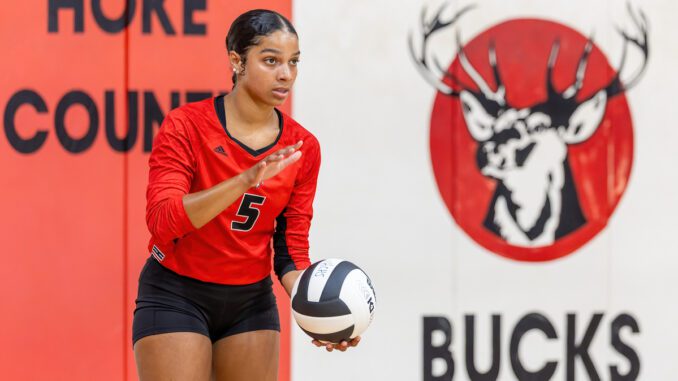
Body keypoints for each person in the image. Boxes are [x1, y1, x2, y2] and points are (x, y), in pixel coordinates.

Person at [132, 9, 360, 381]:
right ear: (236, 61)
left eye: (293, 62)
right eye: (271, 61)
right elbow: (163, 220)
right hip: (176, 291)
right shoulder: (186, 125)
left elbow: (290, 252)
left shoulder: (303, 146)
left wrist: (321, 312)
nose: (286, 74)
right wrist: (243, 180)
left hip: (250, 302)